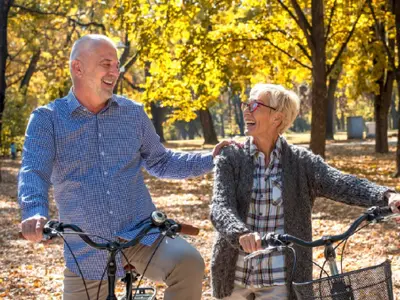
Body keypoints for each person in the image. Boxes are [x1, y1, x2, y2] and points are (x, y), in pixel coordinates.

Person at [18, 34, 230, 300]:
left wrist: (210, 158)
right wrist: (34, 212)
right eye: (106, 64)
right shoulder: (47, 120)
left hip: (141, 235)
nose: (114, 72)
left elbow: (161, 161)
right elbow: (33, 171)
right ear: (78, 67)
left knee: (188, 262)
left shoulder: (132, 113)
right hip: (85, 248)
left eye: (116, 65)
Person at [210, 83, 400, 300]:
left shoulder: (301, 162)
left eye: (254, 105)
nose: (246, 110)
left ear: (277, 118)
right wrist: (240, 233)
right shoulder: (231, 156)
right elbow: (220, 206)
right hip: (235, 275)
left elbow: (340, 182)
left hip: (280, 278)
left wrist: (386, 196)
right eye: (247, 104)